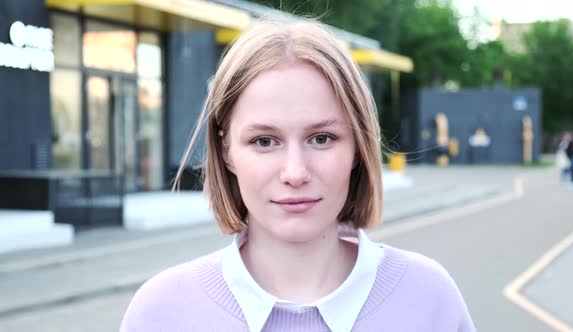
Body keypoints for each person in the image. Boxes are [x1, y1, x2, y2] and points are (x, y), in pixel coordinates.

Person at [121, 19, 475, 332]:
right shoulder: (161, 314)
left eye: (322, 138)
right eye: (264, 141)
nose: (295, 172)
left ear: (358, 146)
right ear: (227, 151)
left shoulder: (429, 298)